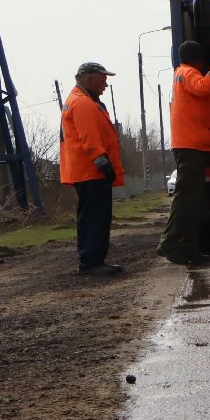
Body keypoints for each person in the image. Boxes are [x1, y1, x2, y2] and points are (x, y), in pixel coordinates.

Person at [156, 41, 210, 265]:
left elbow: (206, 94)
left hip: (191, 144)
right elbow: (203, 87)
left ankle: (187, 246)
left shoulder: (183, 74)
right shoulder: (187, 73)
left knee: (192, 198)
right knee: (187, 197)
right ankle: (170, 243)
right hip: (190, 146)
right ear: (200, 60)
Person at [59, 61, 126, 275]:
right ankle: (92, 263)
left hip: (85, 171)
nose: (106, 84)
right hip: (91, 172)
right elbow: (90, 140)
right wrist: (104, 166)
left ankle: (91, 261)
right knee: (96, 217)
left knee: (90, 216)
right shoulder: (83, 104)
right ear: (89, 79)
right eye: (102, 78)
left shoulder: (80, 101)